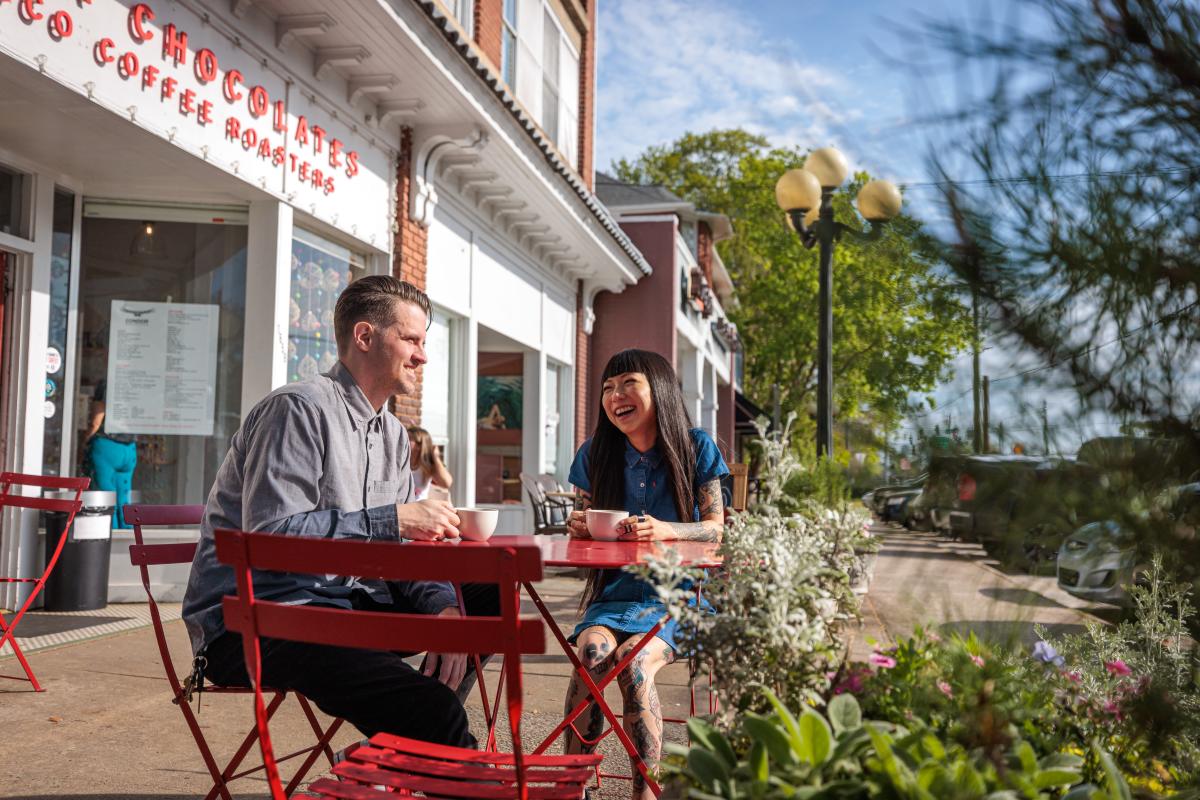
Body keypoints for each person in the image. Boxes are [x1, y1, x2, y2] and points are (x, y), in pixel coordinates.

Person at [182, 275, 493, 749]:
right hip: (258, 619)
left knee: (486, 590)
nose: (423, 355)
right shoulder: (297, 409)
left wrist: (446, 609)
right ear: (364, 336)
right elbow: (270, 540)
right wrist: (395, 520)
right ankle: (423, 736)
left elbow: (405, 552)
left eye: (424, 342)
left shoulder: (391, 434)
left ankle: (411, 733)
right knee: (430, 709)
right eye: (411, 339)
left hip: (340, 606)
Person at [563, 349, 728, 800]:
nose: (615, 396)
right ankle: (573, 786)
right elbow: (579, 524)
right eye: (607, 388)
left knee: (634, 663)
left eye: (627, 383)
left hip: (681, 600)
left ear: (660, 389)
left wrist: (668, 530)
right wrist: (580, 526)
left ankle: (646, 793)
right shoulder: (595, 453)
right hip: (616, 594)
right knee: (590, 657)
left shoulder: (696, 447)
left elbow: (717, 527)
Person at [83, 377, 137, 529]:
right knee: (124, 497)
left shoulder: (107, 383)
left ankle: (110, 539)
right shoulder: (136, 385)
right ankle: (127, 539)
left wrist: (86, 439)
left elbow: (96, 421)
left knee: (107, 497)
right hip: (129, 448)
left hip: (107, 446)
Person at [407, 426, 453, 501]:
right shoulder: (399, 462)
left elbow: (447, 483)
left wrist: (436, 457)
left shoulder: (426, 466)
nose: (403, 440)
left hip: (420, 508)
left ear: (419, 445)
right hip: (403, 508)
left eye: (409, 438)